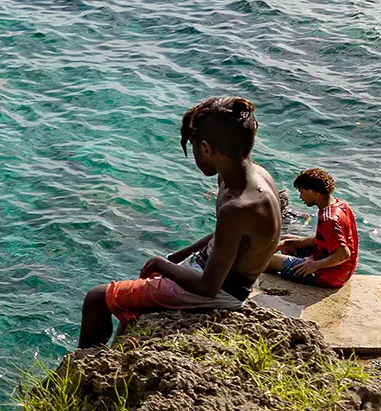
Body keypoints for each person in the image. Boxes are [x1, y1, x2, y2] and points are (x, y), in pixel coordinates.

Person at [79, 97, 282, 348]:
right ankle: (118, 352)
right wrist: (179, 255)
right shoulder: (251, 178)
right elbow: (227, 236)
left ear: (207, 148)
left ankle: (84, 364)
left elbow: (208, 286)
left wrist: (160, 264)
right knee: (137, 293)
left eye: (194, 147)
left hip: (220, 292)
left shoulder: (238, 206)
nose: (195, 155)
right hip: (216, 274)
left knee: (97, 297)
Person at [268, 168, 358, 287]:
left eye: (302, 192)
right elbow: (322, 238)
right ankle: (293, 269)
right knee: (287, 240)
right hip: (342, 270)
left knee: (269, 261)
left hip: (328, 276)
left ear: (313, 192)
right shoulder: (341, 205)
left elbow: (343, 254)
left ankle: (291, 276)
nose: (300, 197)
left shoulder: (329, 219)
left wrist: (315, 265)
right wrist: (286, 243)